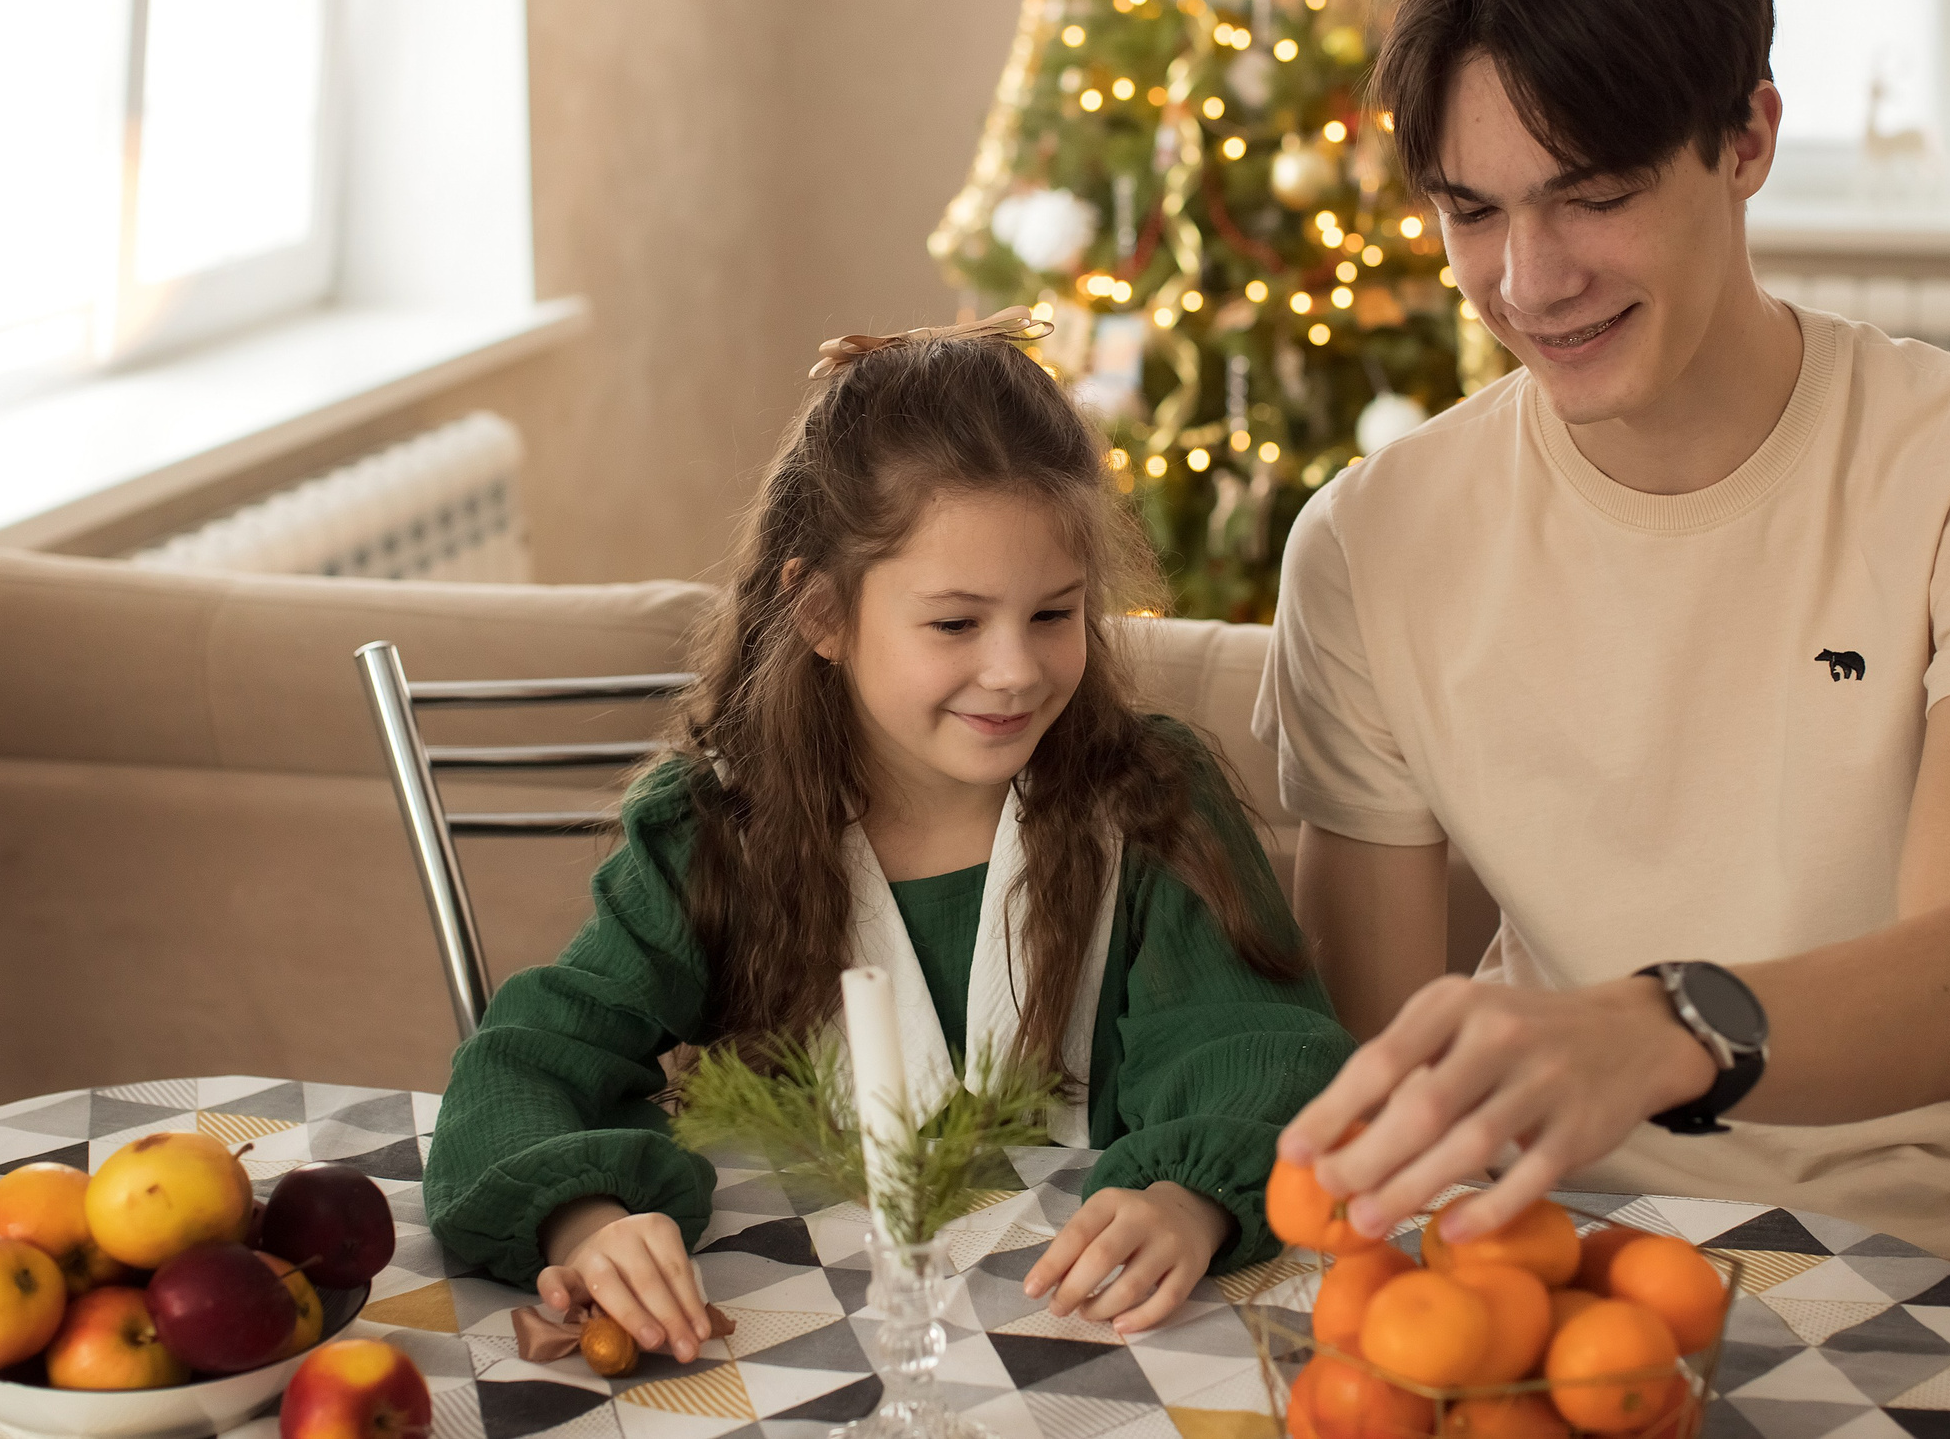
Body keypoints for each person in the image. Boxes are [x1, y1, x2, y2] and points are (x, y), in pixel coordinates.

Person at [1256, 0, 1950, 1439]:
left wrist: (1654, 1030)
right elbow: (1373, 1066)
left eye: (1595, 194)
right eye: (1472, 211)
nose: (1530, 280)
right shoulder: (1366, 546)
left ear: (1748, 136)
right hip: (1556, 1274)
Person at [424, 310, 1350, 1360]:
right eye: (955, 623)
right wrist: (585, 1221)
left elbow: (1260, 1050)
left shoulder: (1149, 802)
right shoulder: (716, 831)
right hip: (787, 1349)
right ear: (822, 612)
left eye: (1054, 614)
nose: (1016, 669)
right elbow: (524, 1068)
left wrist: (1189, 1199)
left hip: (1092, 1338)